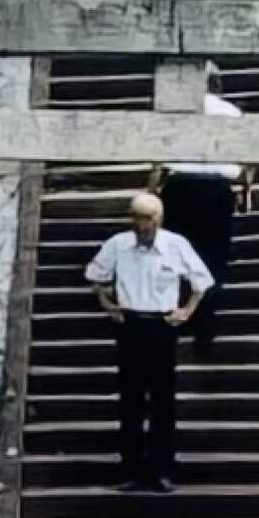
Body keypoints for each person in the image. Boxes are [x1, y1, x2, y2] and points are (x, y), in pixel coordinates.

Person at [78, 186, 213, 490]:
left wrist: (187, 311)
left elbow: (202, 281)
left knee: (163, 401)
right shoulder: (118, 244)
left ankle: (162, 470)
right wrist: (106, 303)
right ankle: (131, 470)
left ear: (159, 219)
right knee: (131, 400)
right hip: (130, 325)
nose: (142, 225)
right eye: (137, 218)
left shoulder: (175, 244)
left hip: (161, 325)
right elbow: (94, 275)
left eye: (148, 218)